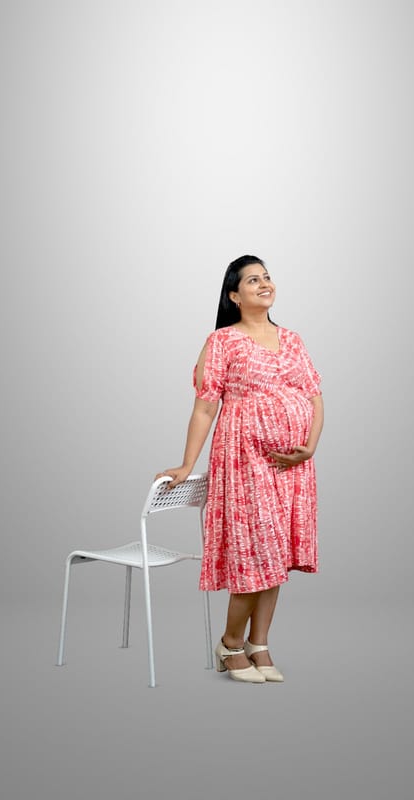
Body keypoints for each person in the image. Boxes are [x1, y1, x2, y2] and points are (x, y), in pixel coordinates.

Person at [156, 255, 323, 683]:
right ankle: (230, 644)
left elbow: (314, 397)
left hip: (292, 469)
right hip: (244, 461)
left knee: (277, 556)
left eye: (267, 276)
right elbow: (204, 407)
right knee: (256, 554)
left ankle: (258, 644)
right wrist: (187, 463)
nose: (265, 283)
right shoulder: (222, 342)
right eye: (253, 280)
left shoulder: (293, 340)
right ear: (234, 295)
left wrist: (309, 448)